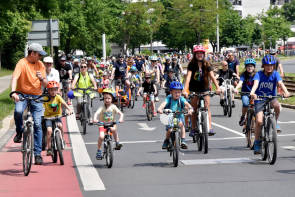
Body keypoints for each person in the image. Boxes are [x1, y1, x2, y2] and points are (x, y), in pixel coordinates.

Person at [11, 43, 48, 165]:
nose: (40, 58)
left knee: (37, 124)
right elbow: (15, 78)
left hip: (37, 95)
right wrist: (13, 92)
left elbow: (46, 85)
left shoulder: (40, 65)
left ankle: (37, 154)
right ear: (32, 53)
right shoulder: (22, 63)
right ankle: (20, 131)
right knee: (18, 111)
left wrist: (42, 78)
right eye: (39, 55)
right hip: (22, 94)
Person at [250, 55, 290, 154]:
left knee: (277, 106)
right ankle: (257, 142)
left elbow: (281, 83)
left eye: (271, 65)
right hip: (259, 99)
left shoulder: (276, 74)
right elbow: (255, 84)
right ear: (263, 65)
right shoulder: (259, 74)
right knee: (259, 121)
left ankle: (275, 122)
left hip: (271, 98)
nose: (269, 67)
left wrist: (286, 92)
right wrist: (252, 93)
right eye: (267, 65)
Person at [183, 45, 220, 136]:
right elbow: (188, 78)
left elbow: (212, 77)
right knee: (194, 109)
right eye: (197, 53)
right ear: (195, 54)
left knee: (207, 108)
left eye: (201, 53)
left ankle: (210, 127)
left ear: (204, 54)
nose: (199, 55)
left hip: (204, 89)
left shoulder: (207, 64)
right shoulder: (192, 65)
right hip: (194, 89)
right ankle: (193, 128)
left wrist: (218, 88)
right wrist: (185, 90)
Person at [158, 81, 193, 150]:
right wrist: (160, 109)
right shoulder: (169, 98)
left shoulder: (181, 99)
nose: (177, 94)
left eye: (179, 92)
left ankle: (183, 141)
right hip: (169, 116)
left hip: (179, 116)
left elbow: (186, 104)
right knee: (170, 129)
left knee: (182, 125)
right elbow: (164, 103)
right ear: (171, 92)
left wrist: (190, 108)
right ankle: (167, 140)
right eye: (175, 92)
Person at [43, 81, 73, 156]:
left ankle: (62, 140)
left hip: (57, 116)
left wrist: (69, 109)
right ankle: (49, 148)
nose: (53, 92)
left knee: (60, 126)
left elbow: (64, 103)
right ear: (48, 91)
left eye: (55, 90)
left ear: (57, 90)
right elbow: (41, 105)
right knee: (49, 131)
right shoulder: (46, 98)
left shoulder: (58, 97)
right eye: (51, 90)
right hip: (48, 117)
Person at [93, 88, 124, 159]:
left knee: (114, 130)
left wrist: (121, 118)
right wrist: (95, 119)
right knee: (101, 136)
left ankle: (117, 142)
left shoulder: (113, 106)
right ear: (103, 99)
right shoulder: (101, 107)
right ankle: (99, 150)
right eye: (105, 98)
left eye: (109, 98)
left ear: (112, 99)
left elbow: (120, 113)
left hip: (111, 123)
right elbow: (96, 113)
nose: (107, 100)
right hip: (102, 124)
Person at [234, 58, 256, 126]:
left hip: (254, 94)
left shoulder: (257, 75)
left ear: (254, 67)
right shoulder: (244, 75)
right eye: (248, 66)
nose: (250, 68)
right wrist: (236, 88)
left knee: (258, 106)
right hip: (245, 93)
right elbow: (240, 83)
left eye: (251, 66)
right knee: (246, 104)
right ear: (245, 67)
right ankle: (243, 116)